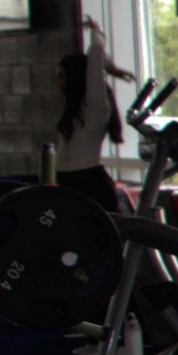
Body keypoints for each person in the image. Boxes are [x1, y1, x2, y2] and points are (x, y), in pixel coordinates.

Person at [56, 16, 133, 214]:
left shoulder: (95, 107)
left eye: (62, 76)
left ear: (75, 77)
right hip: (68, 182)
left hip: (90, 184)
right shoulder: (75, 108)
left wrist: (96, 31)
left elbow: (95, 53)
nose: (58, 81)